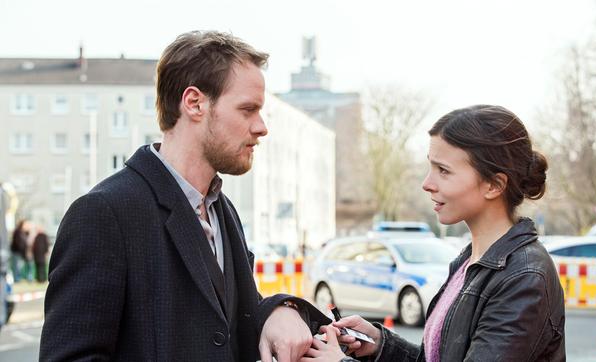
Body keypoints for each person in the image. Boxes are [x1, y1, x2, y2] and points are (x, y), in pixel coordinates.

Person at [40, 31, 331, 361]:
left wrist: (280, 310)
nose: (262, 127)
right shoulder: (103, 213)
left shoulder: (224, 210)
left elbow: (229, 322)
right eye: (248, 109)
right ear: (194, 103)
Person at [304, 105, 565, 362]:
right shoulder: (470, 261)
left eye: (443, 171)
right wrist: (380, 344)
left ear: (494, 185)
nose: (427, 184)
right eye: (431, 168)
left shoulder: (525, 277)